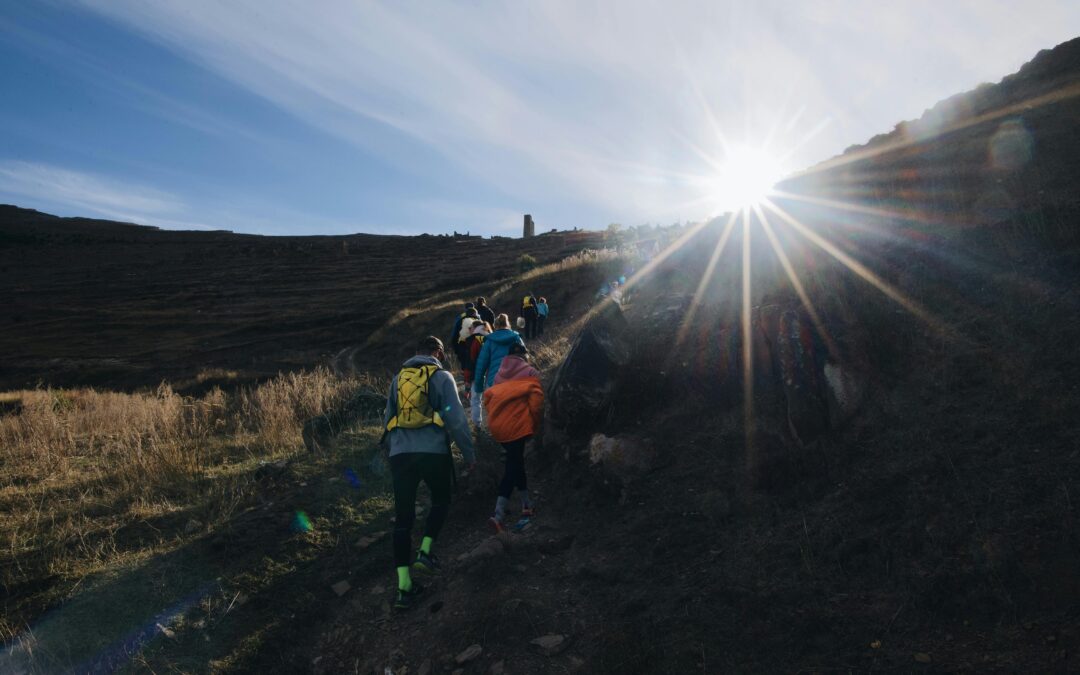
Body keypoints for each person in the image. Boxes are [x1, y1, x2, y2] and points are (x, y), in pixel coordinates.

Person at [382, 336, 476, 610]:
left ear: (416, 351)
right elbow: (456, 420)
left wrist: (394, 450)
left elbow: (387, 418)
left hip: (400, 455)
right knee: (441, 500)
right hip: (433, 452)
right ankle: (425, 551)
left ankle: (404, 587)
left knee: (403, 520)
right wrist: (469, 455)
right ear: (437, 352)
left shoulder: (397, 379)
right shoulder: (442, 376)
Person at [482, 342, 543, 532]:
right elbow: (537, 403)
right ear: (524, 356)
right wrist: (534, 426)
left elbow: (489, 400)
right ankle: (498, 515)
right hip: (517, 427)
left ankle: (526, 505)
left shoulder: (498, 375)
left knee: (516, 463)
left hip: (498, 427)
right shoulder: (531, 373)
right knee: (512, 467)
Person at [474, 313, 525, 398]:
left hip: (494, 382)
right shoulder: (516, 338)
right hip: (515, 380)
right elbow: (525, 359)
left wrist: (479, 387)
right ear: (507, 324)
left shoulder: (489, 341)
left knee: (496, 410)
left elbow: (481, 365)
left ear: (495, 326)